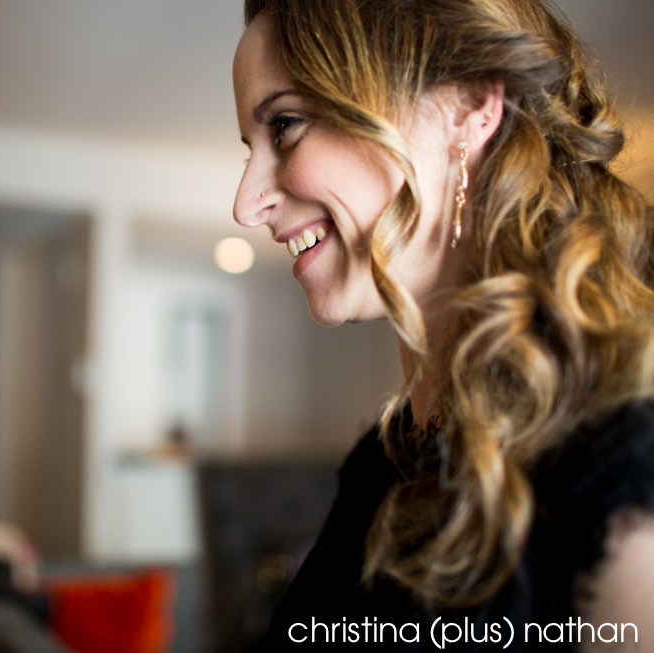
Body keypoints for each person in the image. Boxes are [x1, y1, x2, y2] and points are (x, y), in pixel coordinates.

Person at [232, 0, 654, 650]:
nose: (244, 202)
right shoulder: (383, 460)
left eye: (286, 125)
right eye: (249, 146)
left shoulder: (619, 474)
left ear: (465, 108)